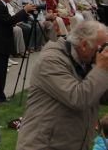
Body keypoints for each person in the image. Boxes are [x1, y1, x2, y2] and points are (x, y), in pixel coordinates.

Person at [17, 21, 108, 150]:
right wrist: (101, 69)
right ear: (83, 45)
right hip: (44, 145)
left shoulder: (84, 60)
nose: (103, 53)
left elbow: (102, 96)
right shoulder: (51, 60)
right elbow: (79, 99)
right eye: (101, 48)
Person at [0, 0, 34, 103]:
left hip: (1, 43)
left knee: (1, 72)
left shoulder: (2, 4)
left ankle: (0, 95)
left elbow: (9, 20)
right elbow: (9, 21)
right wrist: (24, 11)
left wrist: (25, 13)